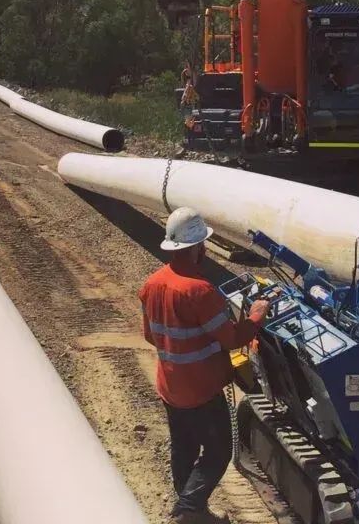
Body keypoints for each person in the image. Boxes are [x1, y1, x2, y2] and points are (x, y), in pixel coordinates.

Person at [139, 207, 271, 523]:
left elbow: (149, 336)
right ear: (199, 247)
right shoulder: (200, 291)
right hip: (200, 391)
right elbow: (232, 339)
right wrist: (257, 315)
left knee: (184, 449)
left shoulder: (152, 284)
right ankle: (187, 512)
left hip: (170, 387)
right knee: (217, 452)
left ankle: (191, 509)